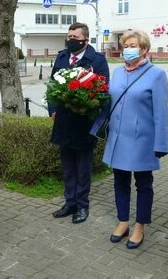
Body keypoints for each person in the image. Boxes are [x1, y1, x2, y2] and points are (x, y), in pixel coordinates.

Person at [102, 30, 168, 249]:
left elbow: (161, 113)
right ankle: (123, 222)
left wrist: (161, 144)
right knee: (120, 180)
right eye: (125, 45)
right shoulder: (118, 72)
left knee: (143, 184)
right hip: (118, 138)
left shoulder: (156, 75)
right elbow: (110, 102)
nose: (127, 49)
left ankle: (140, 226)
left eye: (132, 45)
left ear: (143, 49)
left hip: (141, 140)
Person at [49, 23, 109, 224]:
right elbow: (52, 85)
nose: (71, 40)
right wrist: (53, 109)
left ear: (85, 39)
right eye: (69, 36)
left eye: (75, 37)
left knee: (83, 168)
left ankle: (82, 205)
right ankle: (70, 203)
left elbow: (102, 90)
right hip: (64, 121)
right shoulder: (62, 57)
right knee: (67, 166)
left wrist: (84, 105)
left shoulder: (98, 60)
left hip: (84, 122)